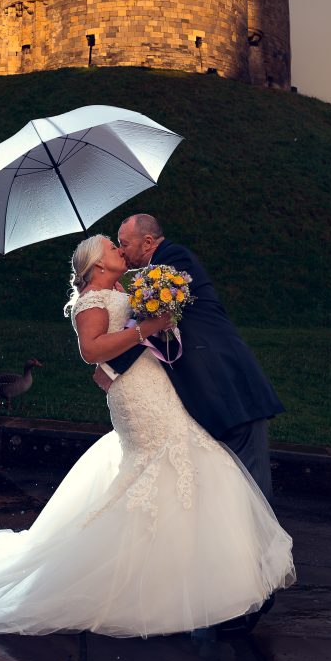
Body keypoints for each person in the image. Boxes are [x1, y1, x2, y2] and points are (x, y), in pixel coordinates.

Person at [0, 234, 294, 638]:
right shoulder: (91, 302)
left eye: (121, 243)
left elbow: (129, 341)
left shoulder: (119, 289)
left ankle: (188, 573)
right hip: (139, 398)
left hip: (154, 385)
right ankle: (158, 585)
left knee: (190, 463)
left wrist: (151, 322)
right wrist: (147, 326)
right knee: (167, 464)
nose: (120, 250)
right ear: (97, 265)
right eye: (112, 247)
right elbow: (91, 349)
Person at [104, 214, 283, 501]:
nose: (121, 250)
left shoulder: (173, 260)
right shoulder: (156, 270)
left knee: (250, 486)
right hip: (210, 389)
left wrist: (112, 367)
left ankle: (258, 546)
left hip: (228, 383)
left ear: (148, 241)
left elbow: (154, 322)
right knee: (226, 486)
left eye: (124, 243)